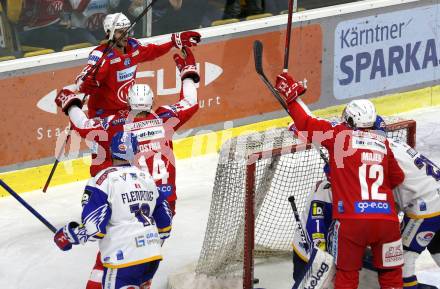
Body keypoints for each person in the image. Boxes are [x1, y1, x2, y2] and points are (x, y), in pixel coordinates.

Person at [55, 46, 199, 289]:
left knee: (111, 261)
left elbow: (84, 125)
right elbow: (191, 101)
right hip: (164, 202)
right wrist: (188, 73)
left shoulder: (116, 125)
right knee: (146, 255)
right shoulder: (165, 118)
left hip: (129, 199)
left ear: (128, 102)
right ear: (152, 101)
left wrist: (70, 104)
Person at [275, 73, 405, 289]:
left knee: (347, 276)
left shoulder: (339, 136)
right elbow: (396, 179)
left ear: (352, 120)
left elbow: (306, 123)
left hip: (353, 222)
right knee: (392, 276)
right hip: (387, 221)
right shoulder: (383, 144)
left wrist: (292, 99)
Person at [291, 116, 440, 289]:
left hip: (427, 207)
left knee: (403, 261)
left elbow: (341, 171)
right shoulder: (388, 145)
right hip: (431, 198)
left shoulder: (368, 149)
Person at [54, 131, 173, 289]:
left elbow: (95, 228)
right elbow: (165, 224)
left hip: (123, 258)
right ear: (136, 153)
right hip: (152, 255)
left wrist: (69, 235)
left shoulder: (103, 179)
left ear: (110, 151)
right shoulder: (146, 178)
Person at [75, 12, 201, 119]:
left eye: (127, 31)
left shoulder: (134, 46)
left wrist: (176, 40)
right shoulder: (100, 55)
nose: (125, 35)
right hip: (103, 114)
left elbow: (155, 48)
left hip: (126, 110)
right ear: (109, 33)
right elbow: (81, 81)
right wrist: (85, 83)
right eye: (120, 32)